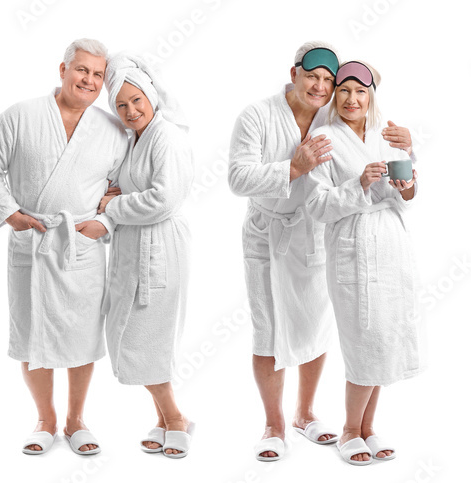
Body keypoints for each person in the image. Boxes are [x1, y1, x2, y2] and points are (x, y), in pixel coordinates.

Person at [227, 41, 412, 461]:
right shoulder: (257, 115)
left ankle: (305, 413)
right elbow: (237, 179)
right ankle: (274, 425)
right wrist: (294, 168)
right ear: (293, 73)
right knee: (267, 328)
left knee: (315, 324)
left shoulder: (332, 117)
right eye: (313, 76)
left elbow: (373, 137)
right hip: (267, 231)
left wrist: (410, 144)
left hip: (315, 231)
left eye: (329, 80)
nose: (321, 86)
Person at [0, 39, 127, 455]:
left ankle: (76, 420)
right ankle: (45, 418)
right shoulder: (20, 115)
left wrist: (103, 223)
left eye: (97, 74)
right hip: (33, 240)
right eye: (82, 70)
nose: (89, 80)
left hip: (81, 244)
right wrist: (10, 214)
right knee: (31, 332)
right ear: (62, 70)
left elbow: (121, 189)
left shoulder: (113, 130)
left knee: (83, 334)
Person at [304, 60, 422, 466]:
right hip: (352, 250)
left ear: (372, 94)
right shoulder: (322, 138)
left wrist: (407, 182)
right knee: (363, 342)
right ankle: (349, 430)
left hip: (391, 248)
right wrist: (360, 185)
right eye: (344, 91)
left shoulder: (387, 133)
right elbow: (317, 206)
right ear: (334, 95)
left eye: (361, 91)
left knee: (385, 340)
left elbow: (408, 195)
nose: (353, 99)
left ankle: (368, 427)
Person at [98, 53, 195, 458]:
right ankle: (164, 418)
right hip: (132, 248)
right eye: (121, 105)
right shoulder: (134, 139)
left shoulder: (166, 136)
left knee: (146, 339)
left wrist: (111, 208)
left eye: (136, 100)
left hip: (159, 249)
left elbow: (163, 199)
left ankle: (175, 419)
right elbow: (120, 185)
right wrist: (113, 197)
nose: (130, 111)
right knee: (135, 337)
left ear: (151, 96)